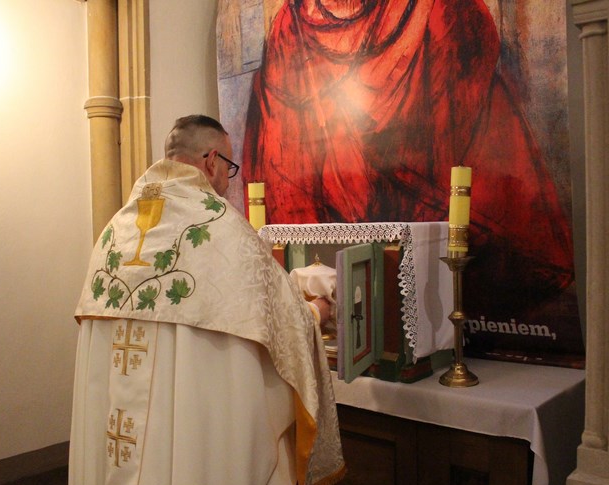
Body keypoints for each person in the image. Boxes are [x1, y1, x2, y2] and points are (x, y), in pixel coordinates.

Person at [56, 115, 345, 485]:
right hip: (187, 441)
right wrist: (317, 310)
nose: (227, 179)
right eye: (229, 167)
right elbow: (286, 328)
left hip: (115, 432)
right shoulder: (221, 229)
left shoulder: (115, 231)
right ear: (211, 161)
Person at [242, 0, 576, 320]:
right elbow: (282, 147)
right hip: (334, 231)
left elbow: (471, 52)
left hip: (429, 203)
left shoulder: (437, 10)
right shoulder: (290, 25)